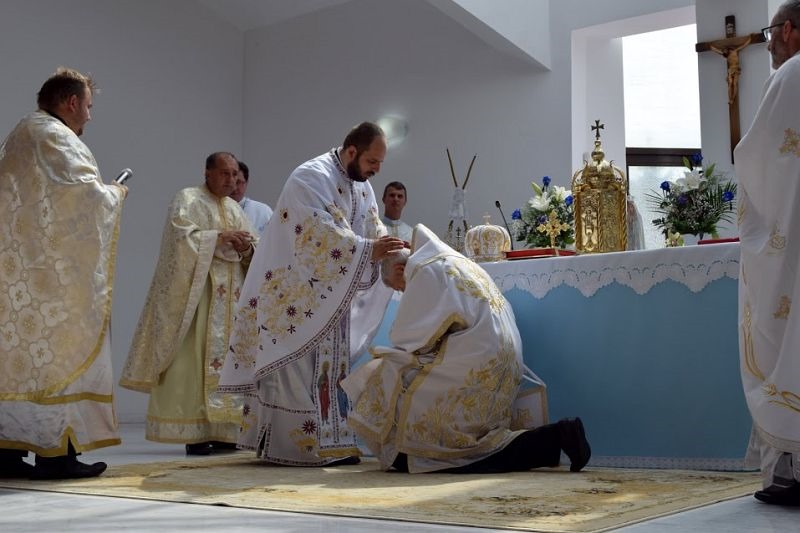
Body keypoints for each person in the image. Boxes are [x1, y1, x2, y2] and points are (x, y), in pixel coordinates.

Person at [219, 122, 405, 466]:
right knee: (296, 371)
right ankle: (294, 446)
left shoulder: (362, 187)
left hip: (331, 295)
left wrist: (393, 254)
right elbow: (314, 236)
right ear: (352, 151)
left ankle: (332, 442)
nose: (377, 170)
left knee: (329, 372)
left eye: (380, 163)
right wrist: (368, 249)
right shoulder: (310, 177)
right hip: (293, 295)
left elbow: (371, 228)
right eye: (372, 161)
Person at [340, 224, 590, 474]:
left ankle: (558, 436)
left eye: (398, 287)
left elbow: (407, 339)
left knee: (388, 376)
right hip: (499, 361)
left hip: (476, 364)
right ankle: (557, 438)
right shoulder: (454, 261)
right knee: (468, 448)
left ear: (399, 269)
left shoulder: (425, 270)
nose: (403, 292)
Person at [0, 67, 127, 479]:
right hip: (54, 285)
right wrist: (115, 192)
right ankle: (57, 457)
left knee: (19, 367)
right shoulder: (56, 136)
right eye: (88, 106)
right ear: (71, 102)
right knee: (60, 363)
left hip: (21, 280)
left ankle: (7, 452)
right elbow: (85, 197)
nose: (89, 115)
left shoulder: (21, 133)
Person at [120, 152, 256, 456]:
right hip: (198, 297)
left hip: (230, 301)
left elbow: (254, 246)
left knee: (229, 363)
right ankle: (195, 433)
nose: (231, 180)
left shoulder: (234, 208)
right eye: (225, 173)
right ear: (207, 172)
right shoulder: (188, 199)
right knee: (193, 362)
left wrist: (247, 247)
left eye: (235, 175)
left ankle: (225, 431)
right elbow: (179, 240)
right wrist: (219, 237)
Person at [734, 0, 800, 507]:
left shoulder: (791, 76)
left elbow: (756, 158)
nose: (770, 42)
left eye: (771, 32)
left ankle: (791, 472)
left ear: (791, 30)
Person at [232, 161, 273, 235]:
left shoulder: (264, 211)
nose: (234, 187)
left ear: (246, 183)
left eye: (238, 182)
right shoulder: (214, 210)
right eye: (231, 182)